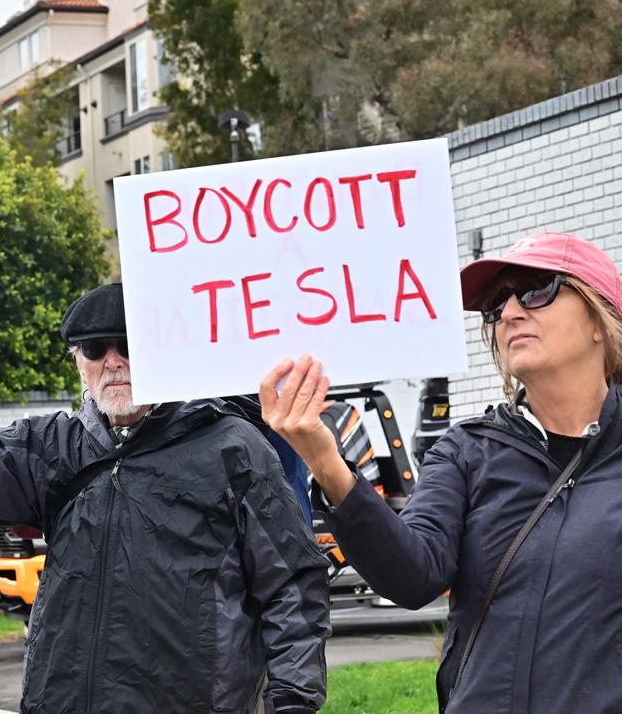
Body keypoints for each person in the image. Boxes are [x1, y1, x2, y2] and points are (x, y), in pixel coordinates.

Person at [0, 285, 330, 713]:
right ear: (79, 360)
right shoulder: (54, 446)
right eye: (96, 348)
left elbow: (291, 589)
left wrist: (292, 703)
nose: (114, 361)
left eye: (130, 346)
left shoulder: (233, 449)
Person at [261, 231, 622, 713]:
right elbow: (414, 575)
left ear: (600, 318)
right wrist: (325, 462)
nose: (511, 312)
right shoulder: (468, 451)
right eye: (497, 303)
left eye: (538, 290)